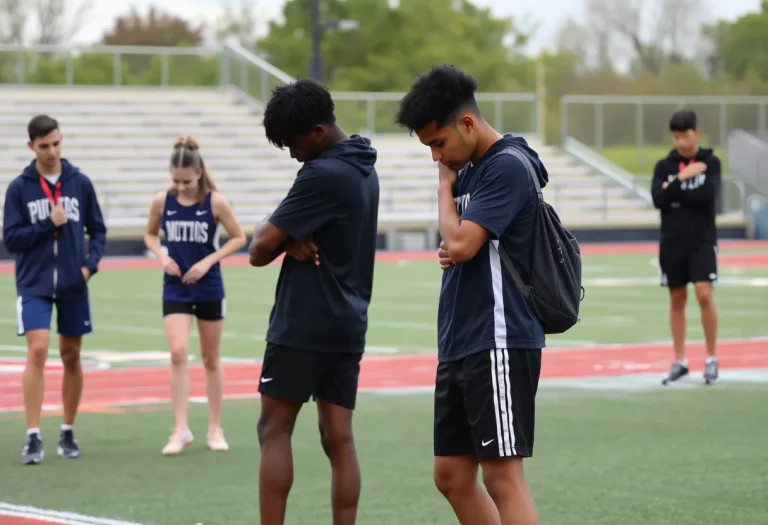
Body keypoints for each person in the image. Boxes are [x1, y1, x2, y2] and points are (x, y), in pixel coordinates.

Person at [394, 65, 546, 525]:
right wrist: (456, 238)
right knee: (453, 475)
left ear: (466, 124)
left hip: (497, 337)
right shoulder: (474, 167)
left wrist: (445, 195)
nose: (436, 158)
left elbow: (461, 244)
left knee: (502, 478)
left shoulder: (505, 164)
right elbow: (463, 246)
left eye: (438, 144)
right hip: (463, 337)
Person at [248, 78, 379, 525]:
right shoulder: (364, 164)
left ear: (318, 131)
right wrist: (292, 238)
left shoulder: (322, 172)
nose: (292, 153)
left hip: (304, 320)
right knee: (338, 438)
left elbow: (258, 249)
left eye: (292, 142)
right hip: (349, 320)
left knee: (273, 429)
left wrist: (284, 241)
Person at [2, 115, 107, 465]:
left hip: (73, 284)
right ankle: (33, 434)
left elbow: (99, 230)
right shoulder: (20, 187)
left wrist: (89, 266)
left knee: (71, 355)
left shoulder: (80, 182)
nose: (51, 151)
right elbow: (12, 238)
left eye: (56, 143)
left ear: (62, 140)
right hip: (34, 283)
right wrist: (49, 224)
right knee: (38, 350)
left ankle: (67, 429)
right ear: (31, 146)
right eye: (44, 146)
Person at [143, 136, 246, 455]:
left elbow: (238, 238)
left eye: (186, 181)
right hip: (175, 285)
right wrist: (162, 256)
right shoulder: (162, 200)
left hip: (208, 285)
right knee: (177, 353)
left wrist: (207, 261)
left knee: (210, 357)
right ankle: (180, 429)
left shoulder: (215, 202)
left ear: (199, 173)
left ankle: (215, 428)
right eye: (175, 180)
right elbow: (149, 234)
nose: (180, 186)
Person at [651, 109, 721, 385]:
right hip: (672, 242)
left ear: (696, 133)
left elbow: (707, 196)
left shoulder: (710, 162)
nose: (681, 142)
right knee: (676, 298)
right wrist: (681, 178)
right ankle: (680, 360)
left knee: (704, 294)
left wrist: (674, 191)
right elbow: (658, 199)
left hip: (702, 240)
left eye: (686, 136)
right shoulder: (664, 166)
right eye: (676, 137)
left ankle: (711, 358)